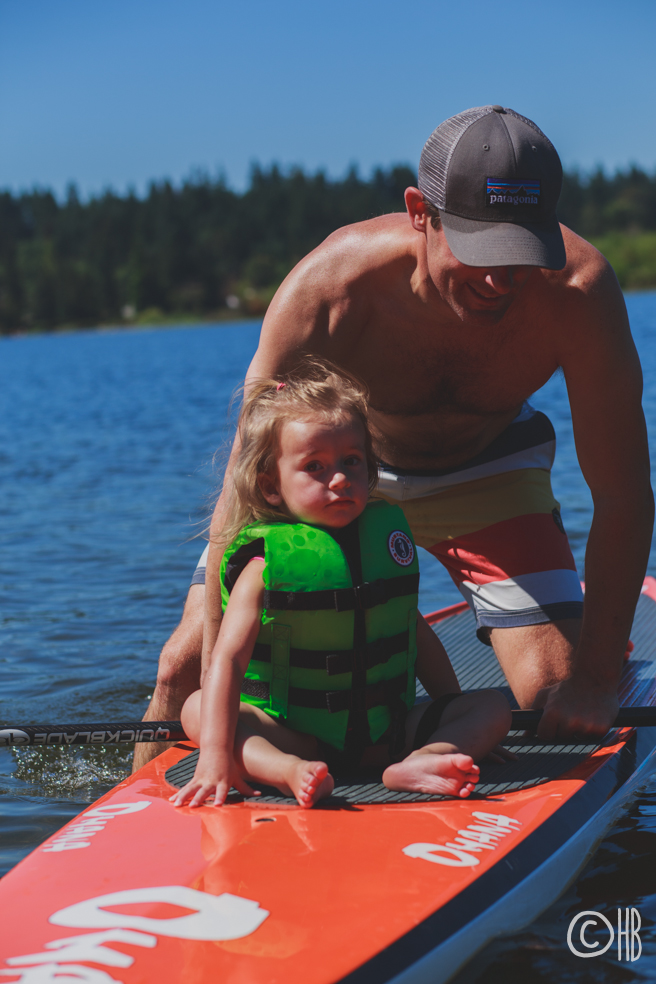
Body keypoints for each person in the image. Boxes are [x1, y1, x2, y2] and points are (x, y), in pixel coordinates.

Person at [134, 104, 653, 771]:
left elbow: (622, 493)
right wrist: (212, 665)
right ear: (419, 212)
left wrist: (596, 675)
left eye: (521, 253)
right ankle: (140, 818)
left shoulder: (580, 292)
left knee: (554, 691)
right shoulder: (329, 290)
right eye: (482, 251)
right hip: (343, 473)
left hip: (489, 470)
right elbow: (248, 472)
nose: (500, 280)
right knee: (183, 666)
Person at [168, 363, 511, 807]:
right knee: (197, 709)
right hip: (294, 737)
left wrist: (452, 718)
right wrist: (213, 757)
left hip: (387, 736)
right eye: (315, 467)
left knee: (492, 709)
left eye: (351, 461)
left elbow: (415, 635)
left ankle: (428, 758)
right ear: (272, 487)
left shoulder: (383, 542)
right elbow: (228, 661)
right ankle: (287, 771)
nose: (339, 479)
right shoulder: (262, 563)